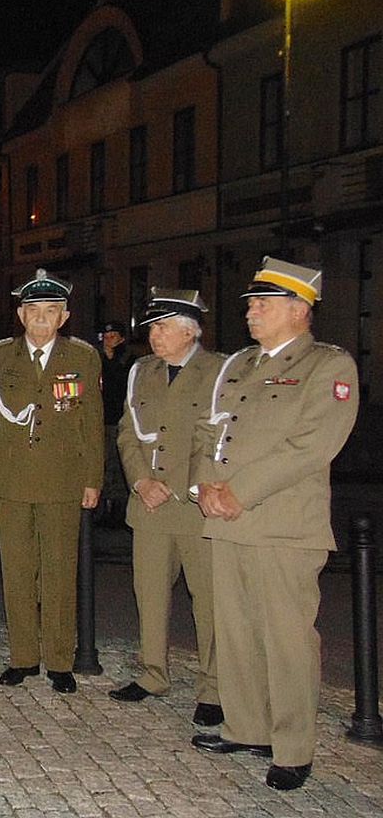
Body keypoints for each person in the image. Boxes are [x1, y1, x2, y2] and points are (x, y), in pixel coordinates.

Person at [190, 257, 358, 792]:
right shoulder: (239, 364)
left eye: (262, 304)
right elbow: (207, 430)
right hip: (227, 520)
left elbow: (311, 446)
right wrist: (203, 488)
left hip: (282, 525)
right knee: (234, 631)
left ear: (300, 310)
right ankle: (247, 727)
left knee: (286, 639)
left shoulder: (328, 367)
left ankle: (292, 747)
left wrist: (238, 492)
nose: (251, 312)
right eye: (250, 304)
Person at [0, 268, 103, 694]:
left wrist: (92, 480)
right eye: (34, 311)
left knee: (60, 573)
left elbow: (93, 422)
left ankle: (60, 660)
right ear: (20, 315)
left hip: (63, 480)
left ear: (64, 317)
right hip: (11, 479)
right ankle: (23, 656)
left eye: (51, 312)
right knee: (18, 571)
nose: (42, 320)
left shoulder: (82, 358)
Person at [109, 289, 223, 727]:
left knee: (208, 600)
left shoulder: (218, 372)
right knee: (150, 593)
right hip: (150, 505)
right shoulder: (143, 372)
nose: (153, 336)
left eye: (162, 327)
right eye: (152, 328)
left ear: (189, 330)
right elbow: (126, 433)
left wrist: (177, 486)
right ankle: (154, 672)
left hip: (195, 508)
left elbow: (217, 437)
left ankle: (214, 686)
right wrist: (140, 481)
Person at [99, 321, 135, 523]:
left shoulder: (128, 359)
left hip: (119, 418)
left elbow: (121, 383)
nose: (108, 340)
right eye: (106, 336)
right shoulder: (98, 357)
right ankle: (104, 505)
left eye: (113, 336)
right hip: (102, 419)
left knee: (117, 463)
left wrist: (112, 359)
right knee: (104, 463)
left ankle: (118, 508)